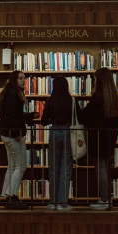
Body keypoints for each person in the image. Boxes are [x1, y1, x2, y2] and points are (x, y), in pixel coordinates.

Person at [78, 67, 118, 211]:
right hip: (109, 138)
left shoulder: (97, 97)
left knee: (100, 169)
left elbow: (84, 117)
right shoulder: (115, 97)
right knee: (105, 168)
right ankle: (106, 198)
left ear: (99, 80)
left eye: (95, 79)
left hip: (97, 138)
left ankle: (105, 200)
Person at [0, 70, 36, 210]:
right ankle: (12, 196)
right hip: (13, 135)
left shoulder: (7, 93)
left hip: (6, 134)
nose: (23, 81)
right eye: (20, 78)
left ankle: (7, 195)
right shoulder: (14, 94)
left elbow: (11, 114)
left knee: (12, 166)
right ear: (14, 79)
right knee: (21, 166)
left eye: (24, 78)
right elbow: (12, 116)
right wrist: (18, 131)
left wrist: (27, 115)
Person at [40, 75, 75, 212]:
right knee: (66, 168)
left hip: (54, 131)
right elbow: (78, 116)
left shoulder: (51, 100)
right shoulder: (71, 100)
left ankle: (52, 202)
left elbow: (44, 121)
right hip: (67, 131)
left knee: (54, 168)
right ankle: (62, 203)